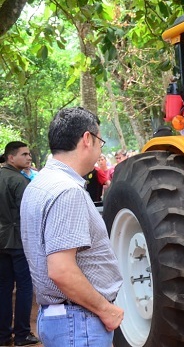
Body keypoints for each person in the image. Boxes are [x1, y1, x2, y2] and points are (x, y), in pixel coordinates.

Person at [20, 107, 124, 347]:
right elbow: (61, 270)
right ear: (87, 139)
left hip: (64, 320)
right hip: (79, 321)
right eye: (100, 140)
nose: (101, 150)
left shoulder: (40, 184)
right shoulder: (67, 191)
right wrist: (105, 309)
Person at [0, 142, 39, 347]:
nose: (29, 157)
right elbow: (29, 215)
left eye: (29, 154)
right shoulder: (19, 181)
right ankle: (23, 334)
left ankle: (4, 336)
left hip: (1, 242)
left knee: (4, 288)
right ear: (11, 158)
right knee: (25, 287)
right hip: (18, 241)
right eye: (24, 154)